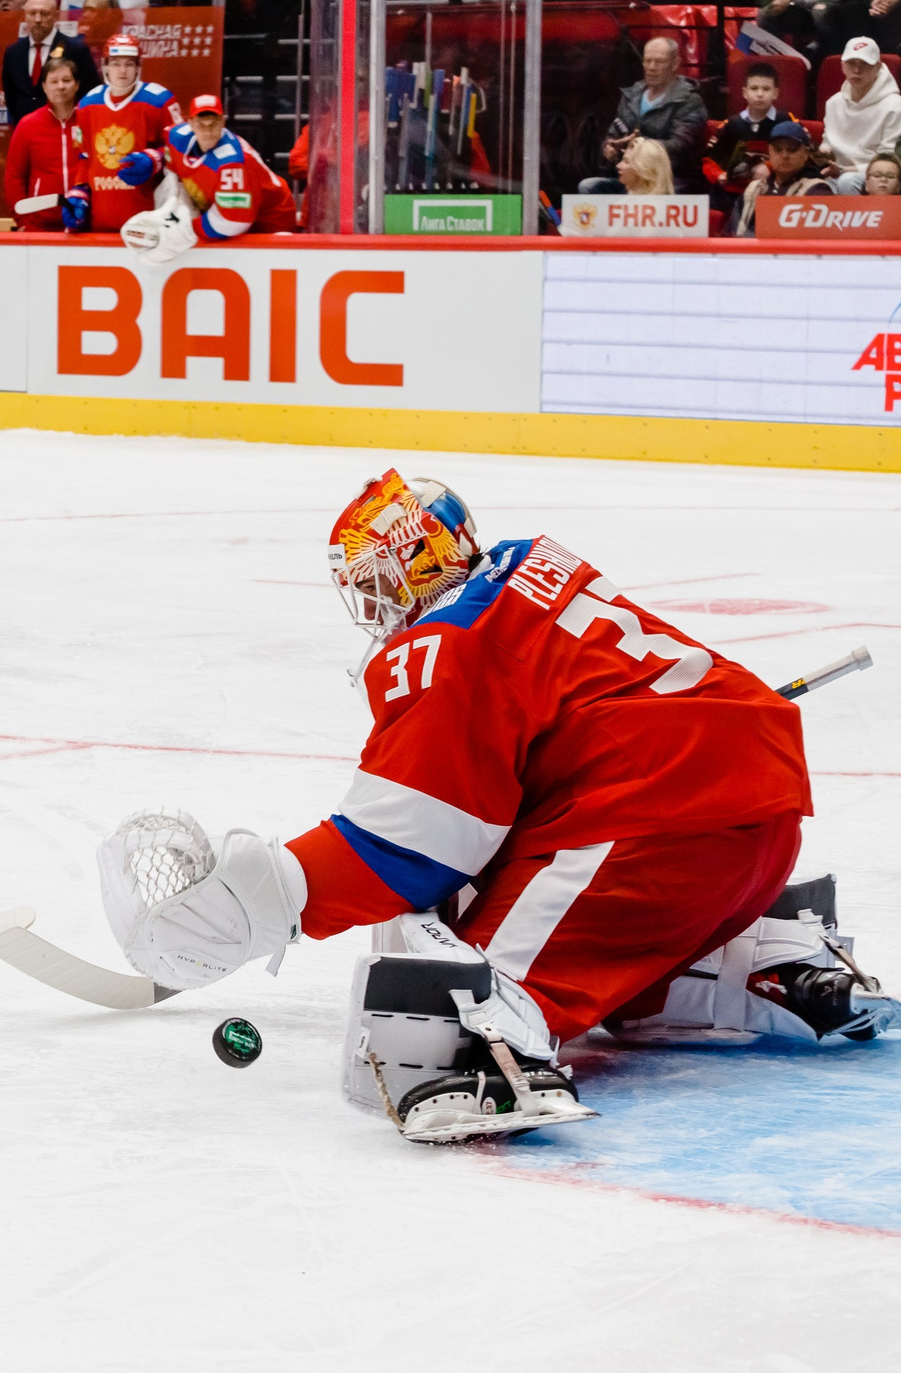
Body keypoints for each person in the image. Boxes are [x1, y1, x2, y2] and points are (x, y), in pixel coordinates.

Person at [97, 471, 892, 1143]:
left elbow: (411, 843)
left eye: (377, 579)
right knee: (589, 936)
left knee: (452, 987)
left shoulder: (448, 638)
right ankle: (769, 968)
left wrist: (269, 898)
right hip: (759, 814)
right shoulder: (527, 569)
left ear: (416, 561)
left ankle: (489, 1063)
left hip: (652, 825)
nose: (373, 605)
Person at [122, 93, 299, 262]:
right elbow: (173, 173)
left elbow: (233, 222)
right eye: (201, 123)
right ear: (190, 123)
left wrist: (187, 229)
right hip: (230, 210)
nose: (207, 131)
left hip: (270, 221)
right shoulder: (176, 138)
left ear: (222, 122)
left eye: (212, 123)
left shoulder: (232, 162)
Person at [76, 34, 183, 232]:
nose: (122, 71)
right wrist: (80, 191)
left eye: (129, 64)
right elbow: (85, 155)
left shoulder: (160, 101)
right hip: (101, 220)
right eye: (115, 64)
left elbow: (184, 151)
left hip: (149, 221)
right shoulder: (87, 104)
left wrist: (155, 158)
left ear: (138, 66)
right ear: (105, 66)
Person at [578, 36, 706, 195]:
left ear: (675, 64)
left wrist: (637, 146)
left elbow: (680, 145)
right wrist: (609, 147)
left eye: (659, 62)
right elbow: (614, 134)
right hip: (630, 178)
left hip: (669, 180)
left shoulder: (689, 100)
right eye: (647, 61)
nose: (651, 67)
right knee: (588, 186)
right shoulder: (631, 95)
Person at [5, 58, 94, 232]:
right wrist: (22, 221)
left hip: (85, 223)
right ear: (44, 87)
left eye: (67, 80)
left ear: (77, 84)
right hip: (39, 226)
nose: (60, 86)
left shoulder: (91, 120)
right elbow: (14, 176)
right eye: (54, 81)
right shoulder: (28, 125)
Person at [2, 0, 97, 128]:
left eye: (44, 13)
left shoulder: (75, 50)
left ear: (56, 16)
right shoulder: (13, 52)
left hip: (62, 129)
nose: (38, 19)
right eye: (32, 13)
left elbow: (89, 93)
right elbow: (11, 97)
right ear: (24, 16)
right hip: (24, 130)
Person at [819, 37, 901, 190]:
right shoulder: (833, 103)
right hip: (835, 171)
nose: (856, 70)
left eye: (864, 64)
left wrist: (845, 171)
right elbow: (827, 140)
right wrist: (824, 152)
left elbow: (889, 160)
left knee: (847, 181)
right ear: (843, 66)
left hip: (874, 175)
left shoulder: (895, 105)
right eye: (851, 63)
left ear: (878, 67)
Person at [701, 65, 787, 203]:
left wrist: (770, 166)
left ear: (776, 93)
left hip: (775, 189)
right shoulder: (730, 125)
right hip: (735, 192)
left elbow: (804, 154)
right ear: (744, 92)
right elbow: (708, 160)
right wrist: (719, 175)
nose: (760, 94)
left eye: (766, 89)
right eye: (754, 88)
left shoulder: (786, 123)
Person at [736, 121, 837, 232]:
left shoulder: (816, 190)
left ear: (806, 154)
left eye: (792, 149)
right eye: (778, 149)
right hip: (747, 248)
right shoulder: (754, 188)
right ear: (769, 153)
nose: (784, 156)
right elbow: (730, 232)